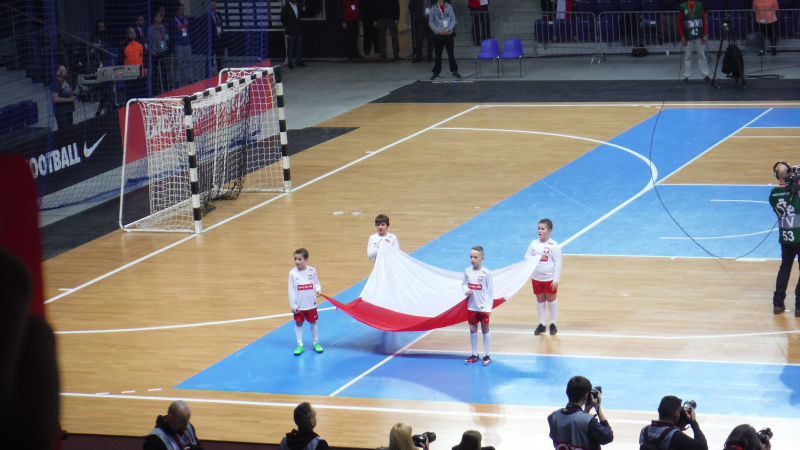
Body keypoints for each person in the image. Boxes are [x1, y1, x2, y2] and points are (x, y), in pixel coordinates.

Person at [548, 376, 613, 450]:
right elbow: (608, 437)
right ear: (585, 396)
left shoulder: (553, 417)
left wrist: (586, 411)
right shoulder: (589, 422)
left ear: (567, 392)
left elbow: (570, 431)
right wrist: (598, 409)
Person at [770, 162, 800, 317]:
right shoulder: (797, 193)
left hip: (786, 238)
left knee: (784, 270)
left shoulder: (773, 195)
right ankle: (799, 306)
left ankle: (777, 304)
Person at [525, 219, 562, 336]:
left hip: (549, 278)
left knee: (551, 300)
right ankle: (541, 324)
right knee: (540, 300)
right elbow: (526, 256)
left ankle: (552, 324)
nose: (539, 231)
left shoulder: (553, 245)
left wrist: (556, 279)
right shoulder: (533, 244)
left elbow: (558, 263)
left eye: (542, 229)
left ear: (549, 231)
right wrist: (536, 258)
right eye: (538, 228)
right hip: (536, 277)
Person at [638, 395, 707, 450]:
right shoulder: (675, 436)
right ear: (676, 415)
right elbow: (703, 447)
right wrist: (693, 422)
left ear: (658, 410)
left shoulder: (644, 431)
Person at [462, 246, 493, 366]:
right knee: (472, 329)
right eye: (471, 257)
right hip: (472, 307)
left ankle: (486, 354)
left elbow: (490, 292)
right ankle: (474, 354)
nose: (472, 259)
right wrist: (466, 290)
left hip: (483, 307)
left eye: (475, 257)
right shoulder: (467, 272)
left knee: (485, 330)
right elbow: (464, 284)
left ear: (482, 258)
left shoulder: (486, 273)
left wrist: (489, 308)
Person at [289, 248, 323, 355]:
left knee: (313, 322)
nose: (297, 262)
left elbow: (316, 283)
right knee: (299, 323)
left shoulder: (312, 271)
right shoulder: (292, 273)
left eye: (299, 259)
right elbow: (291, 290)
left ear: (306, 259)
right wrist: (293, 305)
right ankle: (300, 344)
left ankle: (316, 342)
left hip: (311, 304)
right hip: (299, 305)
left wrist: (318, 290)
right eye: (295, 259)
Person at [678, 0, 709, 84]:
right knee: (687, 57)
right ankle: (686, 76)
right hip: (688, 37)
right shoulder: (683, 6)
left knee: (702, 56)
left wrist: (704, 34)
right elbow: (680, 22)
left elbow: (703, 21)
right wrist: (682, 36)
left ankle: (705, 75)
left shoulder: (699, 5)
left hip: (699, 36)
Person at [429, 0, 460, 80]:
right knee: (438, 54)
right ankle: (436, 72)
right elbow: (431, 22)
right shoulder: (433, 8)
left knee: (451, 53)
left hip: (448, 34)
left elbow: (453, 19)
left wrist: (448, 29)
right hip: (438, 35)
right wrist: (438, 31)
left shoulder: (448, 6)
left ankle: (454, 70)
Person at [119, 27, 147, 99]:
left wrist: (146, 68)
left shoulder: (140, 43)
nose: (133, 34)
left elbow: (144, 57)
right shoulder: (123, 45)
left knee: (142, 93)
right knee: (131, 94)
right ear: (127, 34)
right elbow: (120, 60)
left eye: (134, 32)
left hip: (140, 72)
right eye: (131, 33)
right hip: (129, 74)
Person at [171, 4, 194, 88]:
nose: (182, 11)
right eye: (180, 9)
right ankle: (177, 81)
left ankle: (190, 79)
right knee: (178, 64)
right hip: (179, 44)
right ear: (177, 11)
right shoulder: (174, 20)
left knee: (189, 62)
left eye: (183, 9)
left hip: (187, 43)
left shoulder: (186, 19)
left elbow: (189, 30)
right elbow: (172, 33)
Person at [281, 0, 307, 68]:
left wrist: (303, 5)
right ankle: (290, 62)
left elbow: (303, 14)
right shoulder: (285, 7)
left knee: (299, 45)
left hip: (298, 29)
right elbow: (283, 19)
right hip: (290, 30)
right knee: (290, 46)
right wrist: (288, 26)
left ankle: (299, 60)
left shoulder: (298, 5)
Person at [50, 65, 76, 130]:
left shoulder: (65, 81)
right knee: (64, 131)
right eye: (64, 70)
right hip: (61, 112)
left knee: (70, 130)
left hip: (68, 110)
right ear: (58, 73)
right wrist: (69, 99)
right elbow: (55, 98)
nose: (66, 71)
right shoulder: (55, 83)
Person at [149, 14, 169, 95]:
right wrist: (151, 50)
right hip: (155, 53)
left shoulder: (162, 27)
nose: (160, 18)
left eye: (161, 16)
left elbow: (165, 37)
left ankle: (165, 88)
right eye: (158, 16)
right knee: (155, 73)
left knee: (164, 71)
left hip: (163, 50)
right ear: (154, 18)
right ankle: (154, 91)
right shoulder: (150, 29)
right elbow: (148, 41)